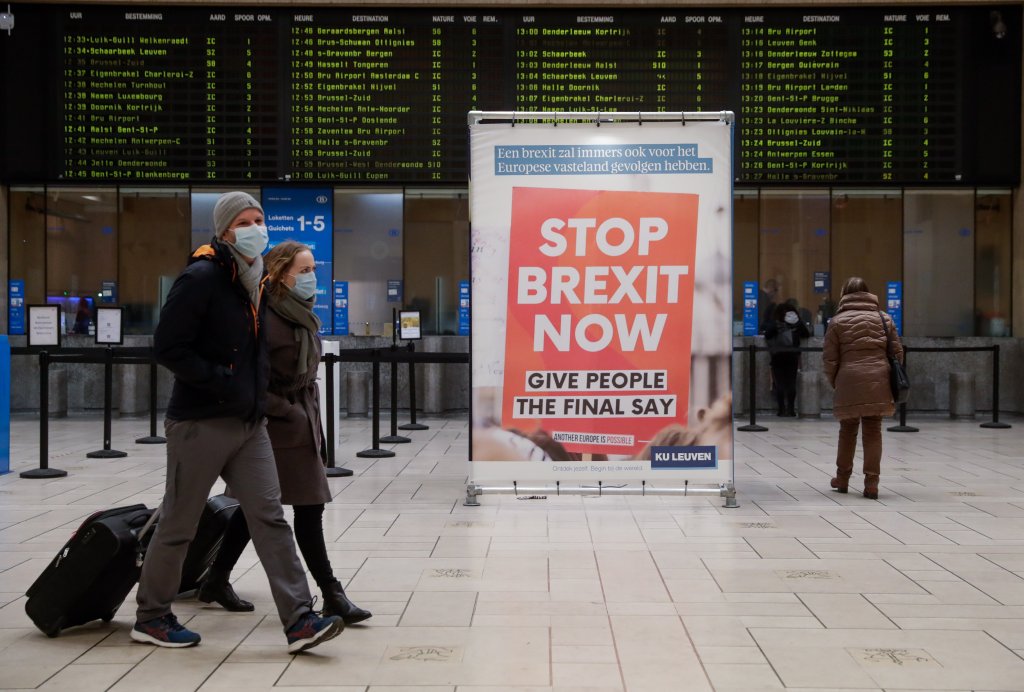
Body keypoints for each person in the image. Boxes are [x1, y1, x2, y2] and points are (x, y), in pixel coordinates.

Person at [132, 192, 344, 652]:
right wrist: (221, 380)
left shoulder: (251, 282)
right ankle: (151, 615)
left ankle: (300, 620)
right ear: (227, 230)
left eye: (260, 218)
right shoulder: (203, 276)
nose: (256, 226)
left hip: (249, 423)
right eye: (245, 221)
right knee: (179, 521)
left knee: (270, 517)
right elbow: (169, 347)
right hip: (201, 420)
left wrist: (252, 393)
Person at [198, 241, 371, 625]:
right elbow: (250, 379)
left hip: (299, 419)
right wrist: (289, 412)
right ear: (279, 273)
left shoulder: (298, 310)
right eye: (304, 271)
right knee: (308, 507)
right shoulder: (263, 316)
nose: (312, 279)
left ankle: (215, 579)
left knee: (254, 506)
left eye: (314, 270)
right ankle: (331, 594)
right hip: (275, 425)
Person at [822, 277, 903, 500]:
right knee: (873, 431)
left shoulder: (837, 321)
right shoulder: (884, 319)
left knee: (847, 431)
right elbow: (897, 353)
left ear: (844, 294)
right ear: (868, 293)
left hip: (849, 378)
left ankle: (843, 478)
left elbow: (830, 359)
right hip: (879, 378)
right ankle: (871, 483)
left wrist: (835, 381)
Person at [762, 301, 811, 416]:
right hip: (792, 355)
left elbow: (767, 334)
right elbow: (806, 334)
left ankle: (781, 409)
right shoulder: (796, 325)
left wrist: (777, 325)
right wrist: (798, 323)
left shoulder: (775, 324)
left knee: (779, 383)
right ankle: (791, 409)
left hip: (778, 356)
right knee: (791, 383)